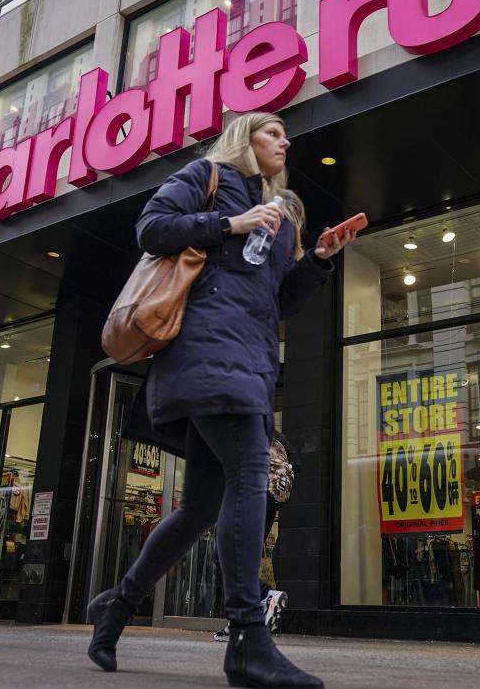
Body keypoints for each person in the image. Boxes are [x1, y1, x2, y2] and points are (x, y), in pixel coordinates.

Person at [88, 113, 356, 688]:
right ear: (246, 139)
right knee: (250, 472)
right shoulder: (208, 175)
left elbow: (277, 299)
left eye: (287, 136)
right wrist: (230, 223)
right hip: (204, 351)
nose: (285, 141)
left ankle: (116, 608)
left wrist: (319, 261)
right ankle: (246, 639)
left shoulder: (285, 216)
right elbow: (151, 230)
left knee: (201, 505)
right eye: (273, 132)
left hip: (250, 360)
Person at [213, 430, 301, 642]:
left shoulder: (243, 424)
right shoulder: (274, 433)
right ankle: (238, 622)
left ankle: (264, 595)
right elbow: (297, 463)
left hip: (247, 496)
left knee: (224, 556)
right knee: (242, 559)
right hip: (269, 503)